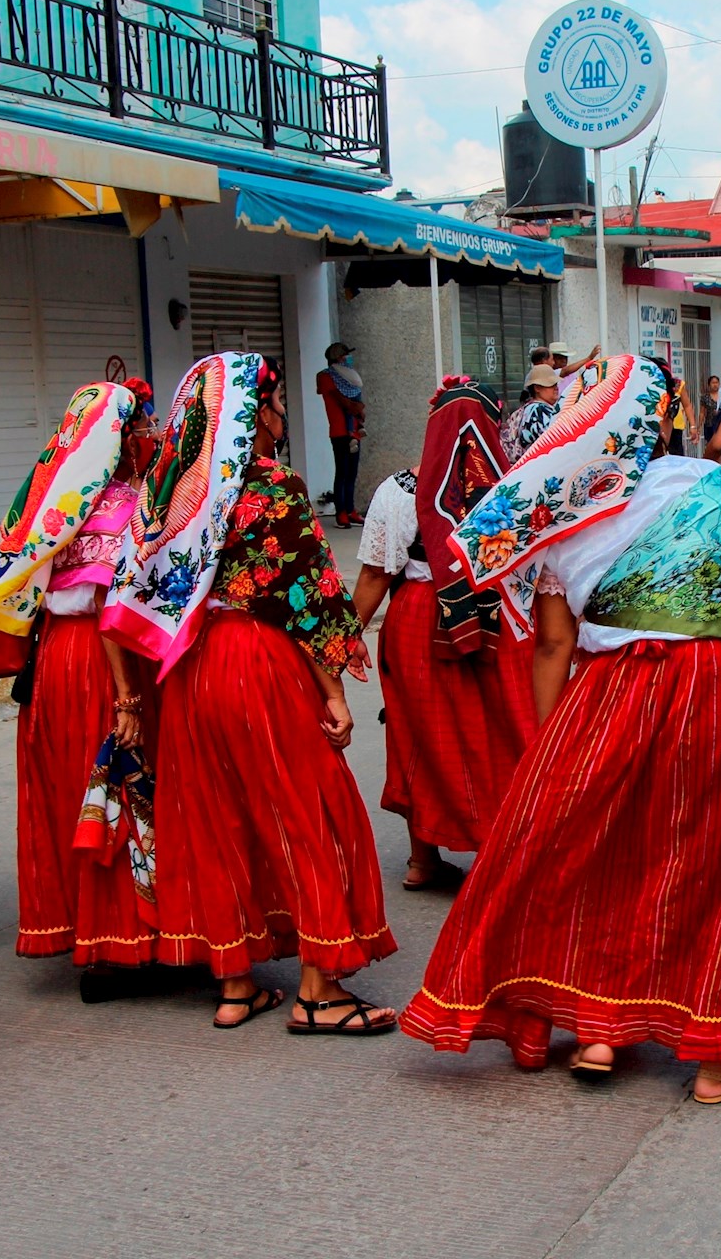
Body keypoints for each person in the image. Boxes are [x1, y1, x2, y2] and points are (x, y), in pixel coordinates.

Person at [401, 354, 721, 1103]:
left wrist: (550, 749)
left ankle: (600, 1030)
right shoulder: (702, 484)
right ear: (658, 416)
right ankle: (718, 1058)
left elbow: (551, 644)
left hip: (614, 692)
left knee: (611, 853)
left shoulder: (558, 507)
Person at [105, 352, 397, 1034]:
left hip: (188, 668)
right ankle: (320, 991)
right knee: (307, 813)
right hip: (256, 659)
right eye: (275, 403)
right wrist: (333, 691)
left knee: (215, 816)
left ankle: (236, 983)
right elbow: (309, 597)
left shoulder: (162, 490)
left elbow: (127, 592)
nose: (281, 415)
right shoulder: (272, 485)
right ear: (253, 413)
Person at [0, 378, 159, 988]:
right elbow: (108, 606)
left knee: (69, 786)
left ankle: (82, 934)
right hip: (105, 657)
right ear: (121, 439)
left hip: (54, 661)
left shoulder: (47, 506)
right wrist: (127, 693)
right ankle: (121, 943)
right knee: (117, 786)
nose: (150, 438)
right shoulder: (124, 505)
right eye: (141, 428)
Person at [352, 378, 538, 891]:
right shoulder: (514, 486)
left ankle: (422, 858)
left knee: (419, 734)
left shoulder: (398, 490)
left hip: (418, 617)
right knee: (497, 732)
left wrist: (345, 639)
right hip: (495, 620)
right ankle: (506, 854)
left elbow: (374, 574)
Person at [317, 341, 365, 528]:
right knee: (343, 472)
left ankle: (351, 509)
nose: (348, 359)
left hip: (354, 429)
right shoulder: (327, 377)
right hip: (340, 430)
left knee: (351, 472)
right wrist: (357, 408)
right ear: (338, 358)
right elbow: (345, 403)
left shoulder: (348, 378)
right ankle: (341, 512)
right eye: (345, 355)